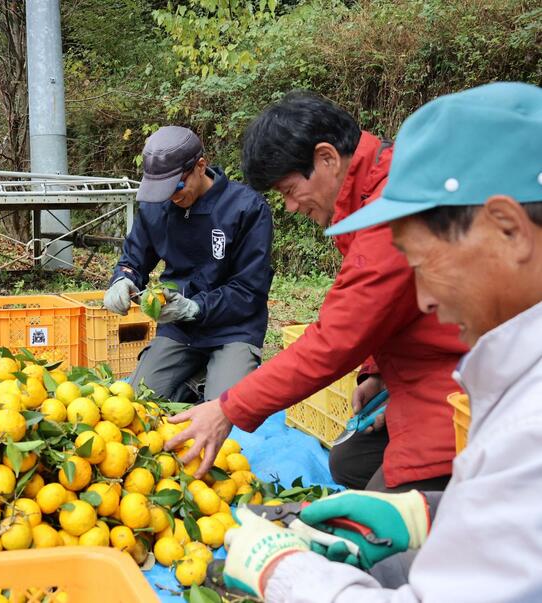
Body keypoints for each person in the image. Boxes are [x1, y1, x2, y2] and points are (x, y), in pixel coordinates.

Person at [221, 81, 542, 602]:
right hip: (429, 386)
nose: (422, 299)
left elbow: (338, 334)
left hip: (436, 394)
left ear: (509, 228)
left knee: (382, 553)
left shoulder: (527, 428)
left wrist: (283, 574)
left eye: (422, 265)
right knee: (351, 468)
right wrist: (433, 514)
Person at [166, 92, 468, 492]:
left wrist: (228, 408)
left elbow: (335, 339)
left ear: (327, 158)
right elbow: (387, 308)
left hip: (454, 387)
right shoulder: (367, 196)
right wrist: (377, 372)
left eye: (290, 190)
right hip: (422, 368)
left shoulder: (391, 213)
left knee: (379, 524)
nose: (290, 207)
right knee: (347, 462)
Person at [103, 126, 273, 402]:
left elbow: (249, 290)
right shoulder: (156, 207)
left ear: (200, 166)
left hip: (233, 327)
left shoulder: (246, 208)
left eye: (177, 186)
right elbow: (133, 260)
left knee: (225, 412)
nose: (172, 196)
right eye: (162, 190)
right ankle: (196, 380)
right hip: (180, 330)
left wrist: (196, 307)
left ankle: (212, 379)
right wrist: (123, 280)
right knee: (139, 402)